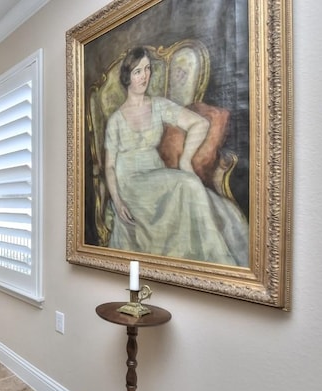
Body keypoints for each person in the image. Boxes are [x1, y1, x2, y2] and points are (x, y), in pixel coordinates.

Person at [104, 47, 249, 266]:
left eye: (147, 69)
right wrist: (117, 200)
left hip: (155, 175)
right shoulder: (116, 119)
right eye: (137, 71)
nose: (145, 76)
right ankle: (216, 258)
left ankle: (207, 262)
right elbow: (110, 167)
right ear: (127, 77)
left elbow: (199, 123)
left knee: (206, 198)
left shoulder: (158, 105)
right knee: (187, 184)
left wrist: (185, 159)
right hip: (130, 183)